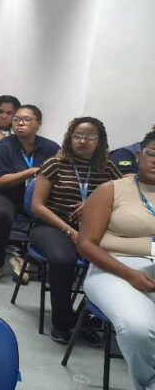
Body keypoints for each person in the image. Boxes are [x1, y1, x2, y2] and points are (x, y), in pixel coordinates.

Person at [77, 127, 155, 390]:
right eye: (152, 153)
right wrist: (130, 275)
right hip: (112, 268)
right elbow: (85, 244)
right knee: (138, 327)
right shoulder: (111, 190)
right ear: (138, 156)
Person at [31, 117, 121, 344]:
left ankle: (87, 318)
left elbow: (122, 199)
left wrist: (93, 203)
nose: (83, 141)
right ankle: (62, 323)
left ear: (100, 141)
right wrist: (70, 231)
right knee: (63, 260)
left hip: (94, 228)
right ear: (69, 138)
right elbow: (37, 206)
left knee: (112, 259)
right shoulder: (55, 164)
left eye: (91, 137)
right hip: (52, 225)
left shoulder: (107, 167)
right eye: (78, 136)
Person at [0, 105, 59, 284]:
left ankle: (31, 261)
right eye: (16, 120)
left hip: (31, 196)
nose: (20, 123)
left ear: (38, 124)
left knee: (56, 211)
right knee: (0, 213)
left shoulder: (50, 148)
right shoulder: (5, 145)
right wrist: (30, 172)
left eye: (27, 120)